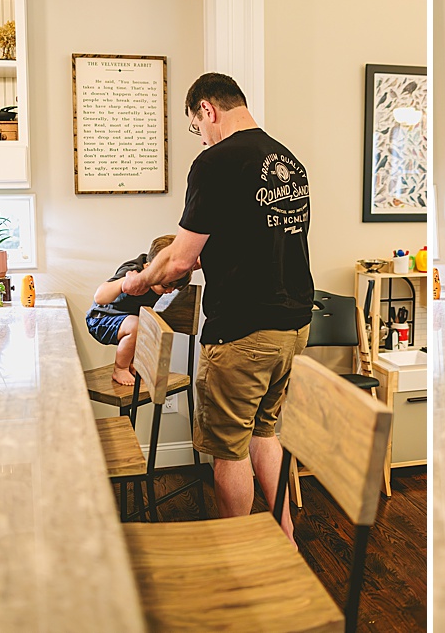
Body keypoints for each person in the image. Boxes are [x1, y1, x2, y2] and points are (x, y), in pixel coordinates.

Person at [121, 72, 313, 542]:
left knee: (228, 449)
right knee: (265, 431)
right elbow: (253, 242)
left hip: (243, 333)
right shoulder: (287, 160)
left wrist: (143, 279)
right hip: (293, 327)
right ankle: (284, 533)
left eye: (196, 125)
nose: (200, 136)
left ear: (207, 109)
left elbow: (181, 259)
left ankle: (236, 555)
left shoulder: (215, 163)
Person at [85, 234, 192, 385]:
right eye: (166, 286)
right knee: (136, 324)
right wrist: (124, 283)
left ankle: (132, 364)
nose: (169, 291)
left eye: (174, 288)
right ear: (149, 267)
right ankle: (120, 368)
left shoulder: (165, 275)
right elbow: (100, 297)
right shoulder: (133, 271)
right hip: (100, 319)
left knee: (145, 323)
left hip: (126, 322)